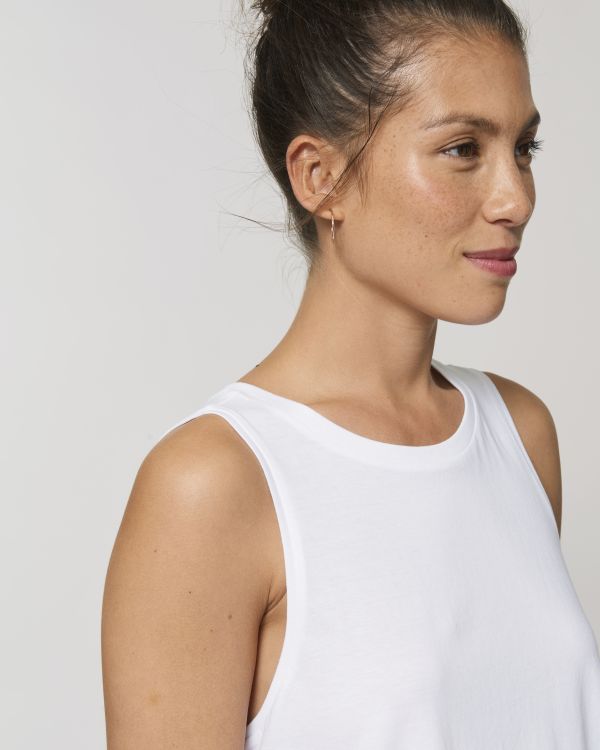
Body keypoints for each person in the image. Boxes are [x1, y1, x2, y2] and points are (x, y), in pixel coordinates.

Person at [101, 1, 600, 748]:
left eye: (523, 148)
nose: (516, 199)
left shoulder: (519, 434)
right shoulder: (213, 485)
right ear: (321, 177)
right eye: (463, 148)